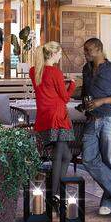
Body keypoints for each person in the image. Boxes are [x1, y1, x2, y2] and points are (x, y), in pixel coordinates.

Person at [80, 37, 111, 215]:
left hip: (109, 118)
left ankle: (108, 201)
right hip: (91, 119)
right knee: (88, 158)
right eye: (84, 50)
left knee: (109, 161)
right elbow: (85, 93)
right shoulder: (86, 69)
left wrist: (101, 101)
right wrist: (83, 103)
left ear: (99, 49)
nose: (85, 53)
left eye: (88, 50)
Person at [28, 42, 77, 209]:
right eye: (60, 53)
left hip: (44, 117)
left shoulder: (34, 71)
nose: (61, 56)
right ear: (54, 54)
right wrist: (73, 85)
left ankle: (56, 193)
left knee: (66, 156)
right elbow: (65, 98)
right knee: (59, 156)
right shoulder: (56, 72)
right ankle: (55, 195)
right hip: (58, 117)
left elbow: (45, 89)